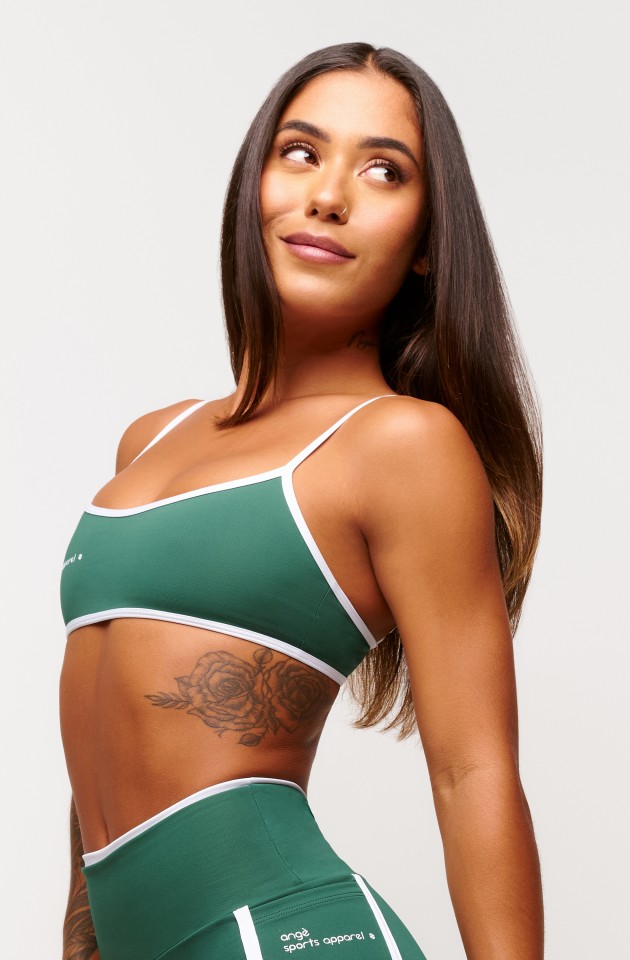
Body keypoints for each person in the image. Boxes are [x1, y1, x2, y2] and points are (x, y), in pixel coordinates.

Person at [59, 41, 544, 960]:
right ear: (255, 184)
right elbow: (104, 740)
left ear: (427, 245)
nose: (329, 194)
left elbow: (473, 771)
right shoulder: (149, 441)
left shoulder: (403, 444)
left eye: (382, 170)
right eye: (300, 152)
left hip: (288, 938)